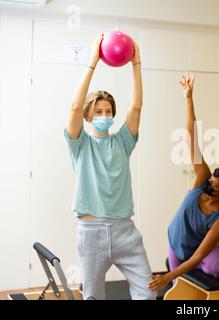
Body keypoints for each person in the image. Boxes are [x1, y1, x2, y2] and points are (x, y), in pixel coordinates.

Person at [64, 34, 155, 300]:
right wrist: (93, 61)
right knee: (93, 296)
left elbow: (137, 106)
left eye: (108, 111)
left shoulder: (123, 141)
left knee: (147, 294)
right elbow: (74, 106)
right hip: (91, 233)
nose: (104, 116)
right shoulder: (79, 144)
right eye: (98, 111)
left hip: (125, 230)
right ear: (89, 115)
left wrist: (136, 65)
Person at [148, 74, 219, 292]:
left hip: (198, 250)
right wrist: (188, 98)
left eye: (213, 185)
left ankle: (201, 268)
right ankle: (181, 267)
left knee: (217, 269)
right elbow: (190, 136)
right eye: (211, 178)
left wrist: (167, 276)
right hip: (177, 243)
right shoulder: (202, 177)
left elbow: (198, 255)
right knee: (180, 287)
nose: (208, 183)